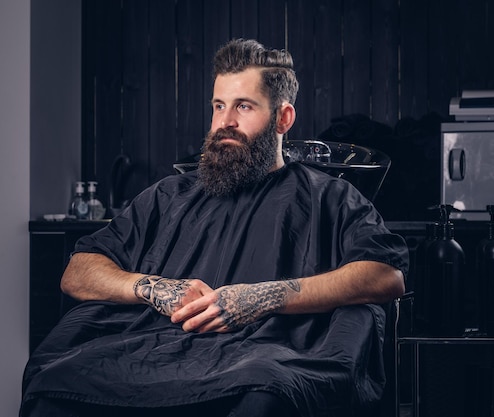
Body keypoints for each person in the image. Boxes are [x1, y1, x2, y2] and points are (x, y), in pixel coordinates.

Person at [20, 38, 409, 417]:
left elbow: (384, 276)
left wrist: (262, 297)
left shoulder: (331, 198)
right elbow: (78, 271)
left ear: (283, 118)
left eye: (243, 106)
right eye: (218, 106)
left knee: (264, 396)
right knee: (56, 385)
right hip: (152, 352)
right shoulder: (168, 196)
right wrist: (155, 289)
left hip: (262, 359)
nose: (225, 122)